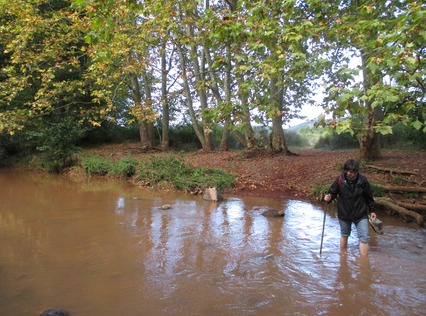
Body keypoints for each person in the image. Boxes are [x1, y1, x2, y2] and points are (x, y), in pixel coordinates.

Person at [324, 159, 376, 256]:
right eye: (350, 172)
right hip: (344, 213)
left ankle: (363, 261)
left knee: (364, 237)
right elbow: (332, 192)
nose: (352, 174)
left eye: (354, 172)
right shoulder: (339, 180)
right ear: (346, 170)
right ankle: (343, 256)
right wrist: (329, 197)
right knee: (344, 234)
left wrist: (372, 210)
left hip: (360, 213)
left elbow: (369, 196)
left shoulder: (363, 180)